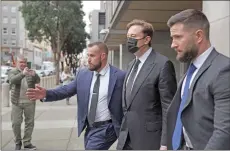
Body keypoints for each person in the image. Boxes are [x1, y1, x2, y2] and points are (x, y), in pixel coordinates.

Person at [26, 42, 126, 150]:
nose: (88, 59)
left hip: (108, 128)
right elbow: (66, 90)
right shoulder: (83, 74)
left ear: (103, 56)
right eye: (88, 55)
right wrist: (47, 94)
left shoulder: (120, 76)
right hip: (89, 128)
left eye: (92, 56)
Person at [166, 9, 230, 150]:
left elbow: (224, 132)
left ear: (199, 36)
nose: (173, 44)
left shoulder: (224, 70)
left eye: (178, 37)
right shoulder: (190, 70)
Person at [116, 19, 177, 150]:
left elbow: (169, 108)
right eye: (127, 37)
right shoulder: (131, 65)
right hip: (126, 138)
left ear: (146, 39)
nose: (129, 41)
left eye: (133, 37)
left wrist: (165, 143)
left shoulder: (162, 65)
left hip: (150, 140)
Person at [8, 54, 40, 150]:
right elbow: (12, 81)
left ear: (27, 63)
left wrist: (35, 75)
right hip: (16, 101)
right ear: (17, 63)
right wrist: (23, 74)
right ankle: (18, 142)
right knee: (16, 123)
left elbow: (38, 80)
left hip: (29, 101)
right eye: (21, 62)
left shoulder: (29, 71)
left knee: (29, 123)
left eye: (24, 62)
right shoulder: (12, 72)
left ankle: (27, 142)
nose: (23, 64)